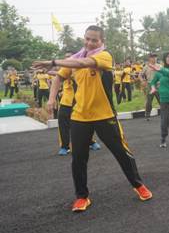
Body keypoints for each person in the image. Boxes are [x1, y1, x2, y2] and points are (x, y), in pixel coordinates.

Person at [32, 25, 152, 212]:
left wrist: (55, 62)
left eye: (94, 40)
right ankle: (82, 197)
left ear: (101, 42)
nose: (90, 42)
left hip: (105, 116)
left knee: (122, 152)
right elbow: (58, 78)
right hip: (80, 116)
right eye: (87, 38)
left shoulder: (104, 56)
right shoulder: (73, 59)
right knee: (78, 158)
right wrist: (50, 98)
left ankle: (138, 185)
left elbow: (82, 64)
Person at [56, 51, 101, 156]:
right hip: (66, 100)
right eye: (66, 58)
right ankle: (64, 146)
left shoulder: (80, 68)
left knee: (85, 123)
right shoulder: (64, 69)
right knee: (63, 123)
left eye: (70, 57)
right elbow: (58, 76)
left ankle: (91, 142)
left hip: (79, 100)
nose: (68, 59)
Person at [140, 53, 161, 120]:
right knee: (149, 101)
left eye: (155, 57)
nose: (154, 58)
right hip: (150, 85)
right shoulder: (146, 67)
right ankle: (147, 114)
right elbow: (140, 75)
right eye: (152, 57)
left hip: (158, 85)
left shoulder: (160, 66)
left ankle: (166, 114)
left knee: (162, 100)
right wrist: (142, 81)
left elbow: (164, 74)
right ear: (149, 58)